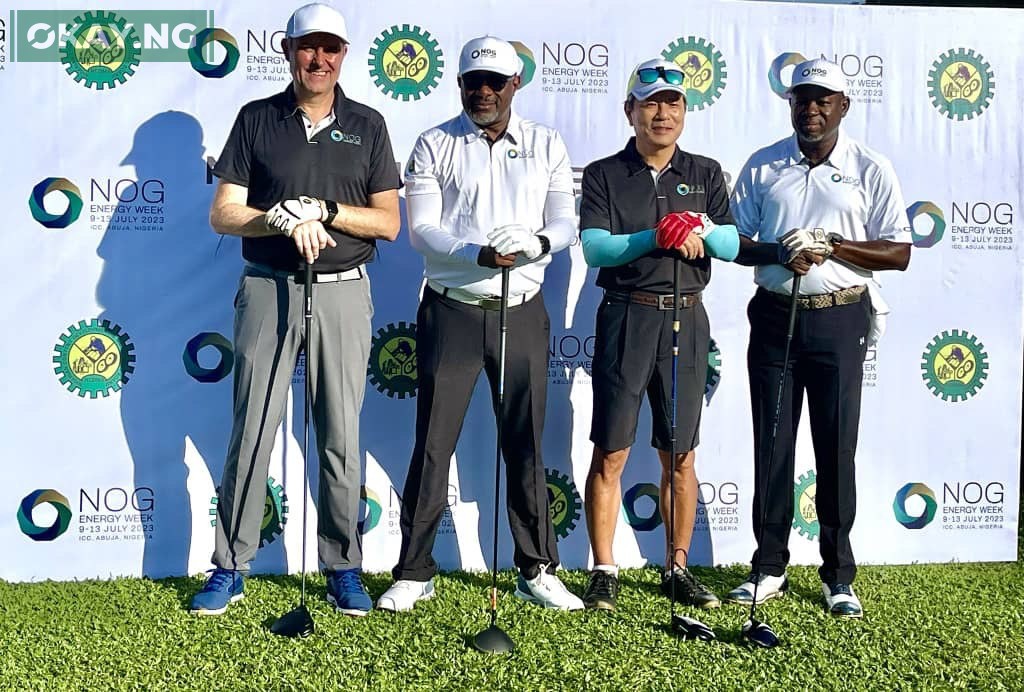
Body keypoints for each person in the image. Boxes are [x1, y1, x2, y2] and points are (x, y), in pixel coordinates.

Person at [189, 2, 401, 617]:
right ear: (288, 51)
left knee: (340, 432)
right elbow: (223, 211)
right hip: (268, 286)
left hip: (341, 289)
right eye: (309, 47)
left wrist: (324, 211)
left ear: (343, 55)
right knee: (252, 426)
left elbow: (387, 222)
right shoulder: (257, 118)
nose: (320, 59)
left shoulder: (368, 124)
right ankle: (230, 564)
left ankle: (344, 566)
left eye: (331, 48)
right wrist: (277, 215)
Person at [376, 36, 582, 612]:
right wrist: (476, 254)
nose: (483, 92)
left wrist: (539, 241)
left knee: (526, 441)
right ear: (460, 85)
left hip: (522, 309)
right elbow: (422, 230)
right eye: (473, 82)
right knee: (434, 444)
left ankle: (537, 567)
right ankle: (415, 569)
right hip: (452, 309)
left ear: (516, 84)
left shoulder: (546, 143)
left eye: (495, 82)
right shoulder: (434, 143)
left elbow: (565, 223)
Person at [727, 58, 911, 618]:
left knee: (836, 447)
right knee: (773, 443)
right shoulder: (763, 166)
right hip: (776, 314)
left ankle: (837, 575)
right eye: (802, 99)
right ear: (789, 105)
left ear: (843, 107)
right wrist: (779, 249)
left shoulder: (869, 167)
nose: (812, 109)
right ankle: (769, 566)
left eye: (823, 100)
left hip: (838, 317)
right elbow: (734, 241)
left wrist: (833, 245)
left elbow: (899, 252)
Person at [577, 58, 740, 612]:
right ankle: (603, 569)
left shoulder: (707, 171)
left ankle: (677, 566)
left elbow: (733, 246)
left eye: (672, 102)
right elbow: (596, 248)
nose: (662, 113)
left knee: (681, 454)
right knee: (612, 451)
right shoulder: (604, 173)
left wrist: (700, 229)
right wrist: (655, 234)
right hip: (627, 314)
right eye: (650, 102)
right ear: (631, 111)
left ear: (684, 112)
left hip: (687, 317)